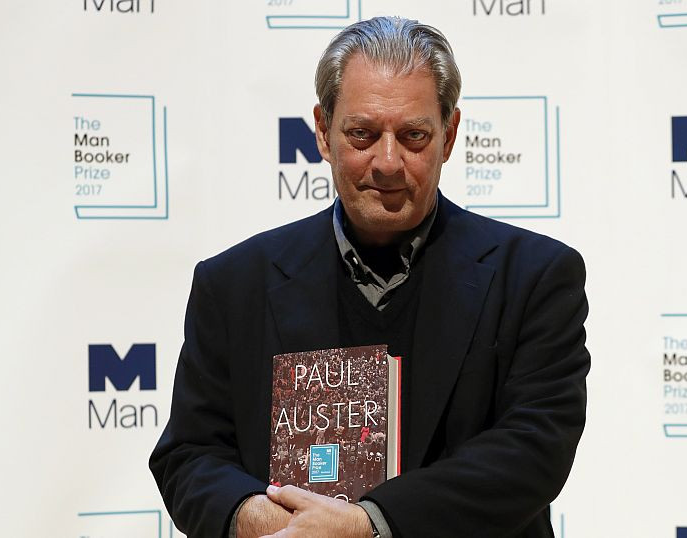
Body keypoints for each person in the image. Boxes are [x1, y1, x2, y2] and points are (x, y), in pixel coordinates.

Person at [150, 16, 590, 538]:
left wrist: (368, 526)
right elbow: (190, 455)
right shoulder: (232, 285)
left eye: (413, 136)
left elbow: (533, 450)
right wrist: (275, 523)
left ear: (449, 136)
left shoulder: (535, 277)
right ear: (322, 132)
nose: (387, 162)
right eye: (362, 134)